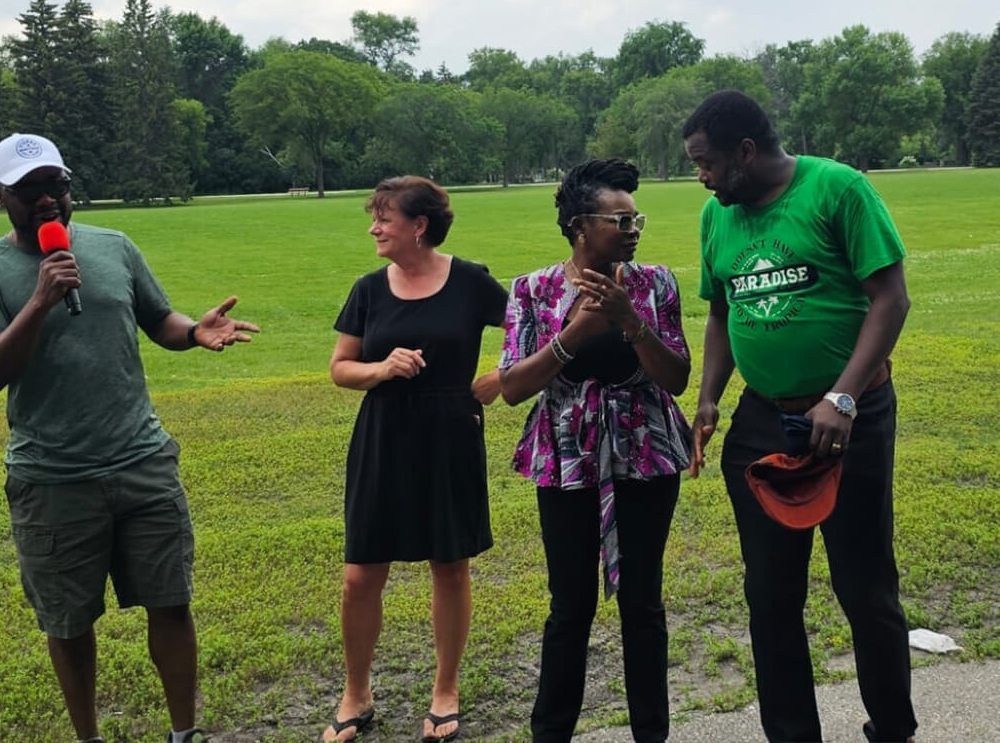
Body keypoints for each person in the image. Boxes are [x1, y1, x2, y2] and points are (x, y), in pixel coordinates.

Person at [0, 133, 260, 743]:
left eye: (57, 184)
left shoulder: (113, 246)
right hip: (52, 479)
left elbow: (158, 319)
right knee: (68, 623)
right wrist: (40, 300)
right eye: (30, 189)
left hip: (142, 461)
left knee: (171, 602)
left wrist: (193, 332)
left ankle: (184, 733)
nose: (48, 199)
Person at [682, 90, 917, 743]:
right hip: (763, 419)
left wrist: (842, 398)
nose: (701, 177)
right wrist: (709, 397)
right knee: (770, 594)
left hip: (850, 418)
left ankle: (893, 729)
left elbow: (891, 298)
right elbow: (723, 310)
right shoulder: (716, 215)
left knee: (865, 587)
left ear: (745, 152)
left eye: (706, 163)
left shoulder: (837, 189)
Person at [498, 158, 692, 743]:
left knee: (643, 604)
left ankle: (651, 734)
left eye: (637, 220)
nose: (633, 230)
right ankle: (550, 733)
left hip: (646, 455)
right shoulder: (533, 290)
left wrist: (630, 320)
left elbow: (677, 378)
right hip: (566, 458)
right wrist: (574, 334)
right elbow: (512, 387)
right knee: (570, 607)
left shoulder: (655, 284)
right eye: (620, 220)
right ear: (580, 226)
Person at [325, 176, 508, 743]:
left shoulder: (471, 281)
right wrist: (381, 368)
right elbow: (340, 368)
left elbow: (533, 328)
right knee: (360, 575)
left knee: (450, 566)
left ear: (419, 226)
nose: (374, 228)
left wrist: (502, 376)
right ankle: (356, 693)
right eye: (374, 218)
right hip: (383, 436)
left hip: (451, 434)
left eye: (384, 218)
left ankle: (445, 688)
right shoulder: (368, 290)